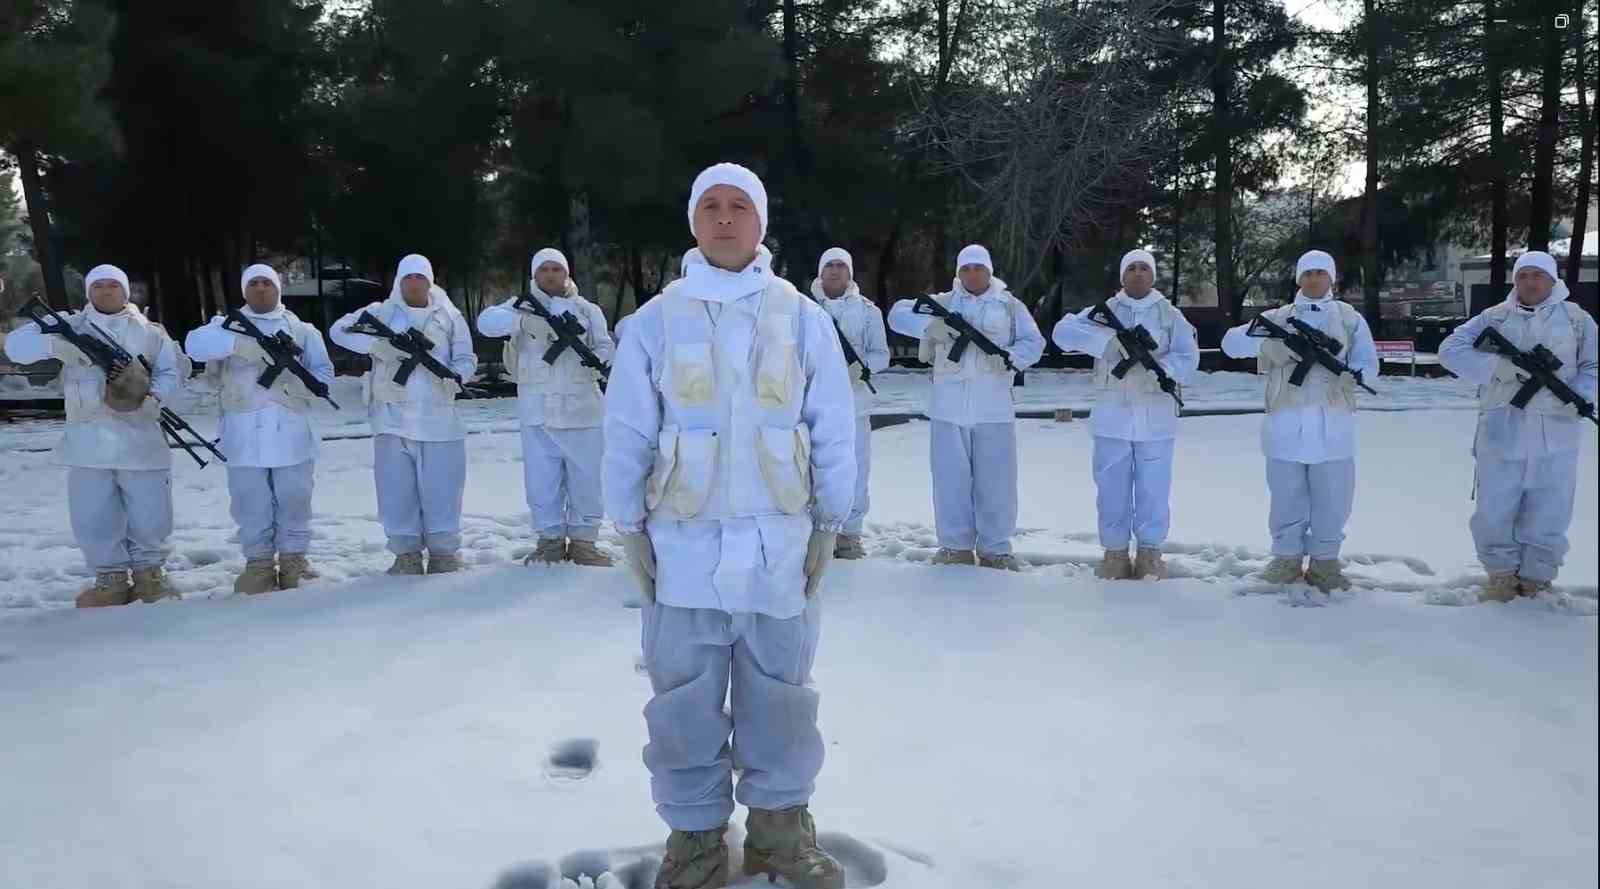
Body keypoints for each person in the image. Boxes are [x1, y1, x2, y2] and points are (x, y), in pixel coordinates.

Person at [602, 162, 855, 889]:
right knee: (682, 701)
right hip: (681, 551)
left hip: (779, 550)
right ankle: (695, 841)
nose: (723, 217)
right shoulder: (655, 320)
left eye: (737, 205)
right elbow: (627, 431)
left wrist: (828, 522)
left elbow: (833, 426)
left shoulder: (803, 317)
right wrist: (628, 526)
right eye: (709, 205)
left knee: (781, 694)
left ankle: (779, 832)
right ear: (692, 220)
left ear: (760, 222)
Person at [3, 264, 185, 606]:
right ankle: (109, 580)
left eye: (112, 285)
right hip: (87, 440)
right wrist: (58, 346)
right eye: (98, 286)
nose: (105, 291)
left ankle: (150, 576)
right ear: (89, 292)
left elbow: (171, 372)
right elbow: (16, 349)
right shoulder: (71, 326)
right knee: (93, 513)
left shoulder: (149, 332)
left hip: (140, 437)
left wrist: (156, 398)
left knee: (150, 511)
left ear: (124, 291)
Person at [1438, 250, 1598, 601]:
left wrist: (1581, 396)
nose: (1529, 282)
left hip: (1556, 431)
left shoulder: (1575, 320)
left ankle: (1537, 577)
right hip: (1502, 429)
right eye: (1523, 275)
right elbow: (1450, 350)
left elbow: (1594, 365)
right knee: (1495, 507)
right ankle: (1501, 576)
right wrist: (1498, 368)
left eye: (1537, 276)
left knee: (1551, 509)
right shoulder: (1495, 316)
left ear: (1553, 280)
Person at [1220, 250, 1378, 593]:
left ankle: (1325, 562)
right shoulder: (1278, 317)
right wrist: (1273, 344)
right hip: (1285, 425)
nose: (1314, 279)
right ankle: (1286, 558)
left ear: (1331, 278)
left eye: (1321, 273)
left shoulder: (1350, 319)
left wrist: (1356, 375)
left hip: (1333, 426)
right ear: (1298, 279)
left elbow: (1369, 363)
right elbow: (1231, 344)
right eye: (1307, 274)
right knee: (1286, 498)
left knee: (1333, 500)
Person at [886, 244, 1045, 570]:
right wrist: (929, 328)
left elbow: (1035, 342)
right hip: (948, 406)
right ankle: (955, 547)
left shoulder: (1010, 306)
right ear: (959, 273)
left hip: (994, 407)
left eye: (978, 268)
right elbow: (897, 313)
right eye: (966, 269)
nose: (972, 274)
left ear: (989, 271)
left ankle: (996, 549)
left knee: (997, 482)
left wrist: (1012, 359)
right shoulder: (945, 303)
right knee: (950, 480)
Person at [184, 263, 336, 593]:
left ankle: (295, 560)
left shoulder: (302, 330)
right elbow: (195, 345)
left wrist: (302, 384)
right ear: (244, 290)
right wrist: (238, 345)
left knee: (294, 498)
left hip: (291, 428)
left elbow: (324, 373)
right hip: (242, 431)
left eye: (267, 282)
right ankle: (259, 563)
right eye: (254, 283)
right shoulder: (225, 327)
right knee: (249, 501)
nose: (261, 288)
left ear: (277, 288)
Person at [1052, 249, 1199, 579]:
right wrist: (1105, 344)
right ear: (1122, 275)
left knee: (1154, 489)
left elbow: (1189, 360)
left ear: (1153, 275)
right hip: (1112, 417)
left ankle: (1149, 552)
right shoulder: (1105, 312)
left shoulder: (1169, 315)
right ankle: (1115, 553)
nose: (1137, 273)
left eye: (1143, 268)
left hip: (1155, 417)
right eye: (1131, 268)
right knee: (1111, 488)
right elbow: (1062, 333)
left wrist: (1162, 370)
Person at [329, 254, 477, 576]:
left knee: (443, 489)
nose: (414, 283)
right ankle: (406, 554)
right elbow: (339, 331)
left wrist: (457, 376)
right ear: (399, 281)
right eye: (408, 277)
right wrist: (376, 347)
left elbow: (466, 357)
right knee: (396, 489)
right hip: (391, 416)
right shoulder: (381, 312)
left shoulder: (449, 316)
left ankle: (443, 554)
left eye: (420, 277)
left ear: (430, 281)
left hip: (439, 418)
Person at [476, 248, 615, 566]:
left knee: (588, 479)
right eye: (544, 270)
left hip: (582, 409)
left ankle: (584, 541)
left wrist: (603, 359)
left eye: (556, 269)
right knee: (542, 480)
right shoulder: (520, 308)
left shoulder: (586, 310)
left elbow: (605, 344)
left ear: (566, 274)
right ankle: (549, 541)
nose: (551, 275)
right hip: (537, 410)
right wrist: (526, 319)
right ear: (535, 275)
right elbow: (487, 323)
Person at [810, 247, 890, 559]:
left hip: (855, 406)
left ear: (850, 272)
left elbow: (881, 353)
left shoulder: (868, 312)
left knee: (855, 470)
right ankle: (814, 532)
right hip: (813, 405)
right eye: (828, 265)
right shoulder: (802, 309)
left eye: (840, 265)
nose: (834, 271)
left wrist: (863, 368)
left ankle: (849, 535)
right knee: (812, 469)